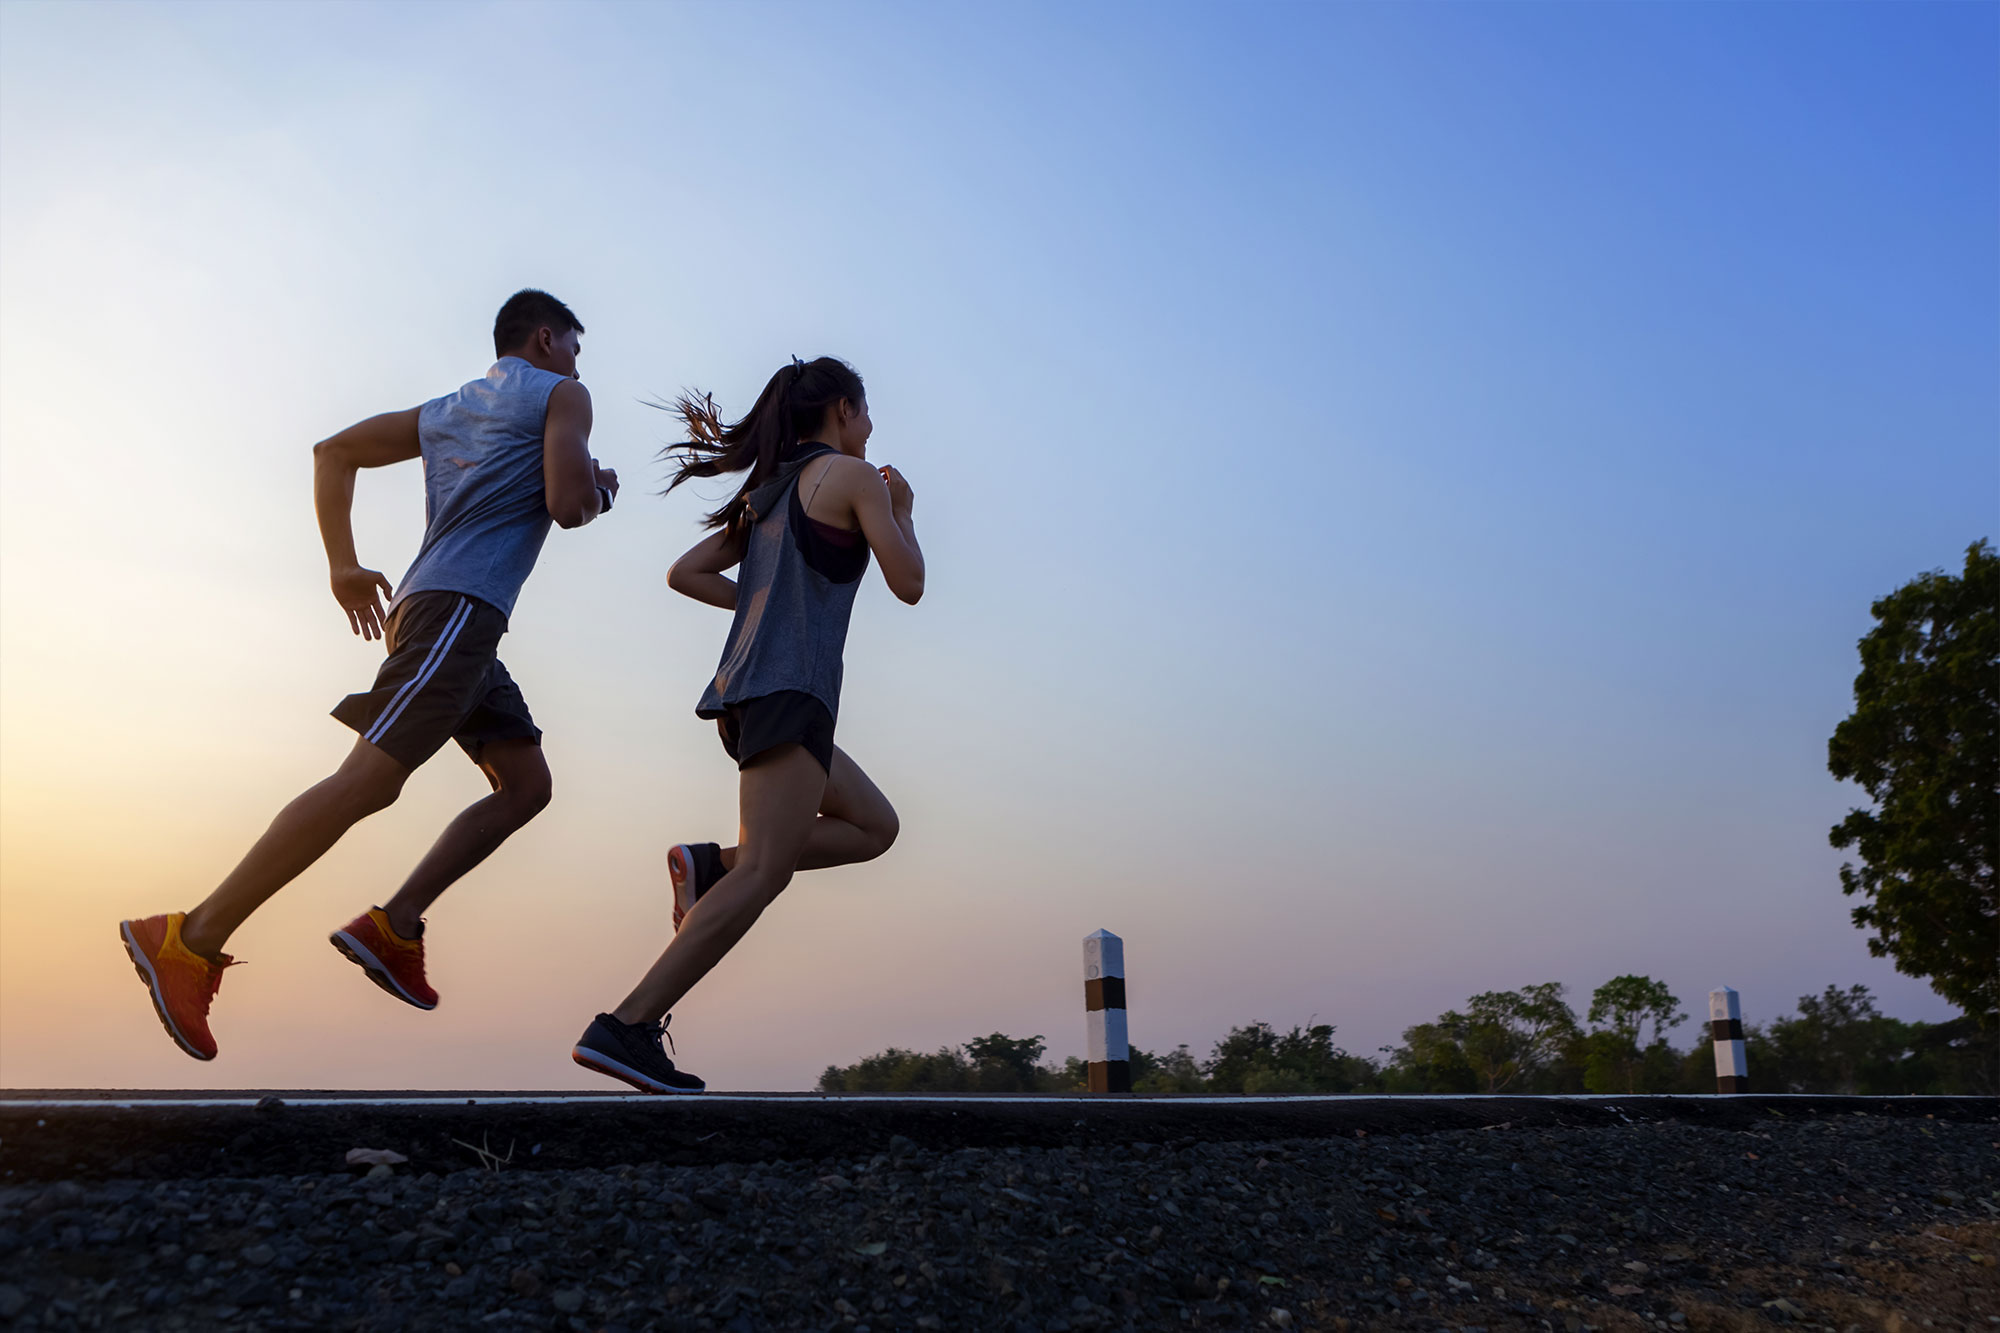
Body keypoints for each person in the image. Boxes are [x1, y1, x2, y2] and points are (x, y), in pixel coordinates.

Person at [120, 289, 619, 1061]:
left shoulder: (453, 407)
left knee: (526, 785)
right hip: (458, 613)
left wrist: (342, 565)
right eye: (575, 347)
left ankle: (396, 924)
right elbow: (568, 503)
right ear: (547, 338)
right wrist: (598, 487)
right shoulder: (566, 395)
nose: (580, 364)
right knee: (368, 781)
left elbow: (334, 452)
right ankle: (190, 937)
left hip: (447, 616)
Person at [570, 356, 923, 1094]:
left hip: (748, 694)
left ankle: (711, 868)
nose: (870, 427)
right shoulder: (854, 480)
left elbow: (686, 571)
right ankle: (626, 1026)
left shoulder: (769, 493)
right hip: (790, 692)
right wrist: (905, 511)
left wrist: (766, 600)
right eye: (865, 412)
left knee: (875, 827)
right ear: (843, 410)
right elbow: (910, 582)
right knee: (768, 872)